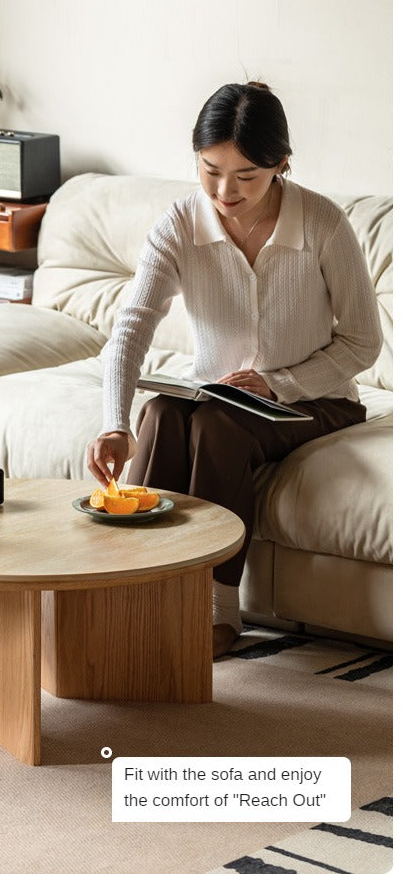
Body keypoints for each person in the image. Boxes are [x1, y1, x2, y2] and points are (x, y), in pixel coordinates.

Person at [86, 81, 383, 659]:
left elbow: (363, 343)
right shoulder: (178, 224)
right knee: (161, 413)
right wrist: (112, 423)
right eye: (209, 169)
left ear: (281, 164)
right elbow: (130, 328)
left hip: (315, 402)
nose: (226, 191)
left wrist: (280, 383)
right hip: (215, 398)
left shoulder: (322, 223)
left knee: (215, 428)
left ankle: (220, 614)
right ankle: (131, 592)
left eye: (247, 175)